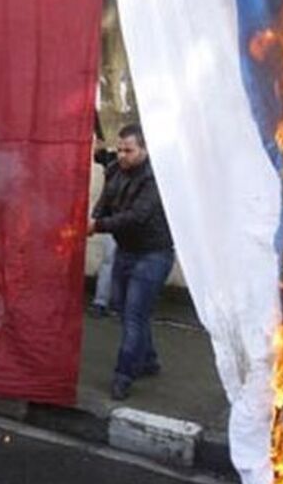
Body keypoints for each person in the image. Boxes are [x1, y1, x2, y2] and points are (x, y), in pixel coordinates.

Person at [88, 124, 175, 402]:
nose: (122, 155)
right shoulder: (115, 169)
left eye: (129, 150)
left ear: (144, 150)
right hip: (127, 250)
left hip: (153, 254)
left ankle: (123, 376)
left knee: (134, 316)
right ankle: (148, 360)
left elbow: (138, 216)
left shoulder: (154, 178)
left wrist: (97, 225)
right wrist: (93, 218)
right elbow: (105, 202)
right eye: (120, 149)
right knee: (126, 311)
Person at [89, 143, 119, 319]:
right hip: (113, 217)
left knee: (120, 261)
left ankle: (113, 302)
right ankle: (101, 302)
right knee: (110, 259)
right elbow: (99, 154)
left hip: (127, 219)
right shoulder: (112, 157)